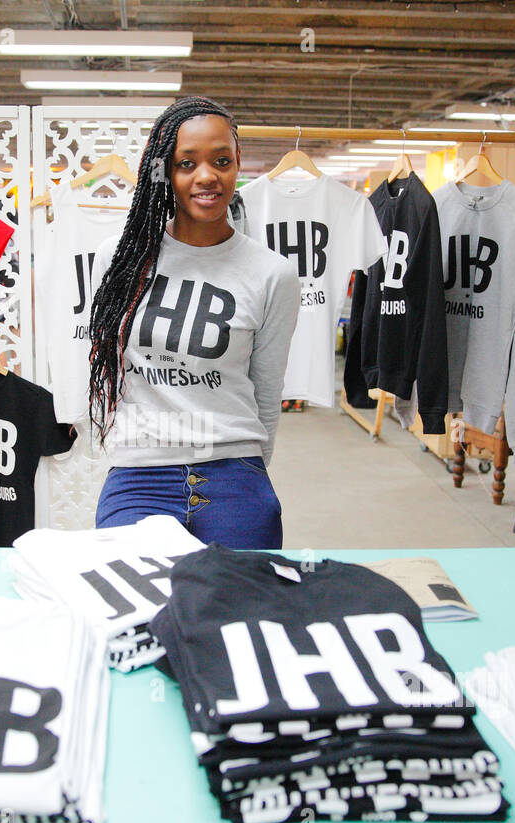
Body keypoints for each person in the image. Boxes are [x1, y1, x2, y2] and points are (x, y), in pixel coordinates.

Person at [87, 96, 301, 549]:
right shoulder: (119, 260)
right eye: (187, 164)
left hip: (234, 471)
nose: (207, 176)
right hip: (140, 472)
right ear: (166, 171)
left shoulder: (272, 273)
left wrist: (251, 478)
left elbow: (266, 390)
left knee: (239, 609)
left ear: (238, 162)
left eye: (221, 160)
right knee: (131, 607)